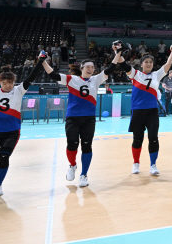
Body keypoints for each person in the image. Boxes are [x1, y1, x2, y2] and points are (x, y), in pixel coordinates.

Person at [41, 47, 123, 187]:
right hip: (73, 117)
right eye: (88, 67)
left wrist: (118, 53)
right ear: (82, 68)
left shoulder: (96, 80)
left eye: (92, 67)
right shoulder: (72, 79)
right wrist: (42, 62)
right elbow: (53, 75)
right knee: (72, 144)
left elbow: (110, 68)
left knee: (87, 146)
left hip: (89, 118)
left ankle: (84, 174)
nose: (91, 69)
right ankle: (72, 165)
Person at [0, 53, 46, 196]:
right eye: (5, 83)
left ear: (14, 82)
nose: (8, 85)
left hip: (11, 131)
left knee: (3, 157)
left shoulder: (19, 90)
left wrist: (40, 61)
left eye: (10, 83)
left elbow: (32, 76)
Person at [121, 43, 172, 175]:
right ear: (141, 64)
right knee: (137, 139)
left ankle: (153, 165)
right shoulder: (135, 74)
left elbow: (168, 65)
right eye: (146, 62)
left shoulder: (156, 75)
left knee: (153, 138)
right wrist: (118, 53)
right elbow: (124, 65)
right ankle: (136, 163)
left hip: (152, 111)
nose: (148, 64)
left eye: (150, 62)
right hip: (138, 111)